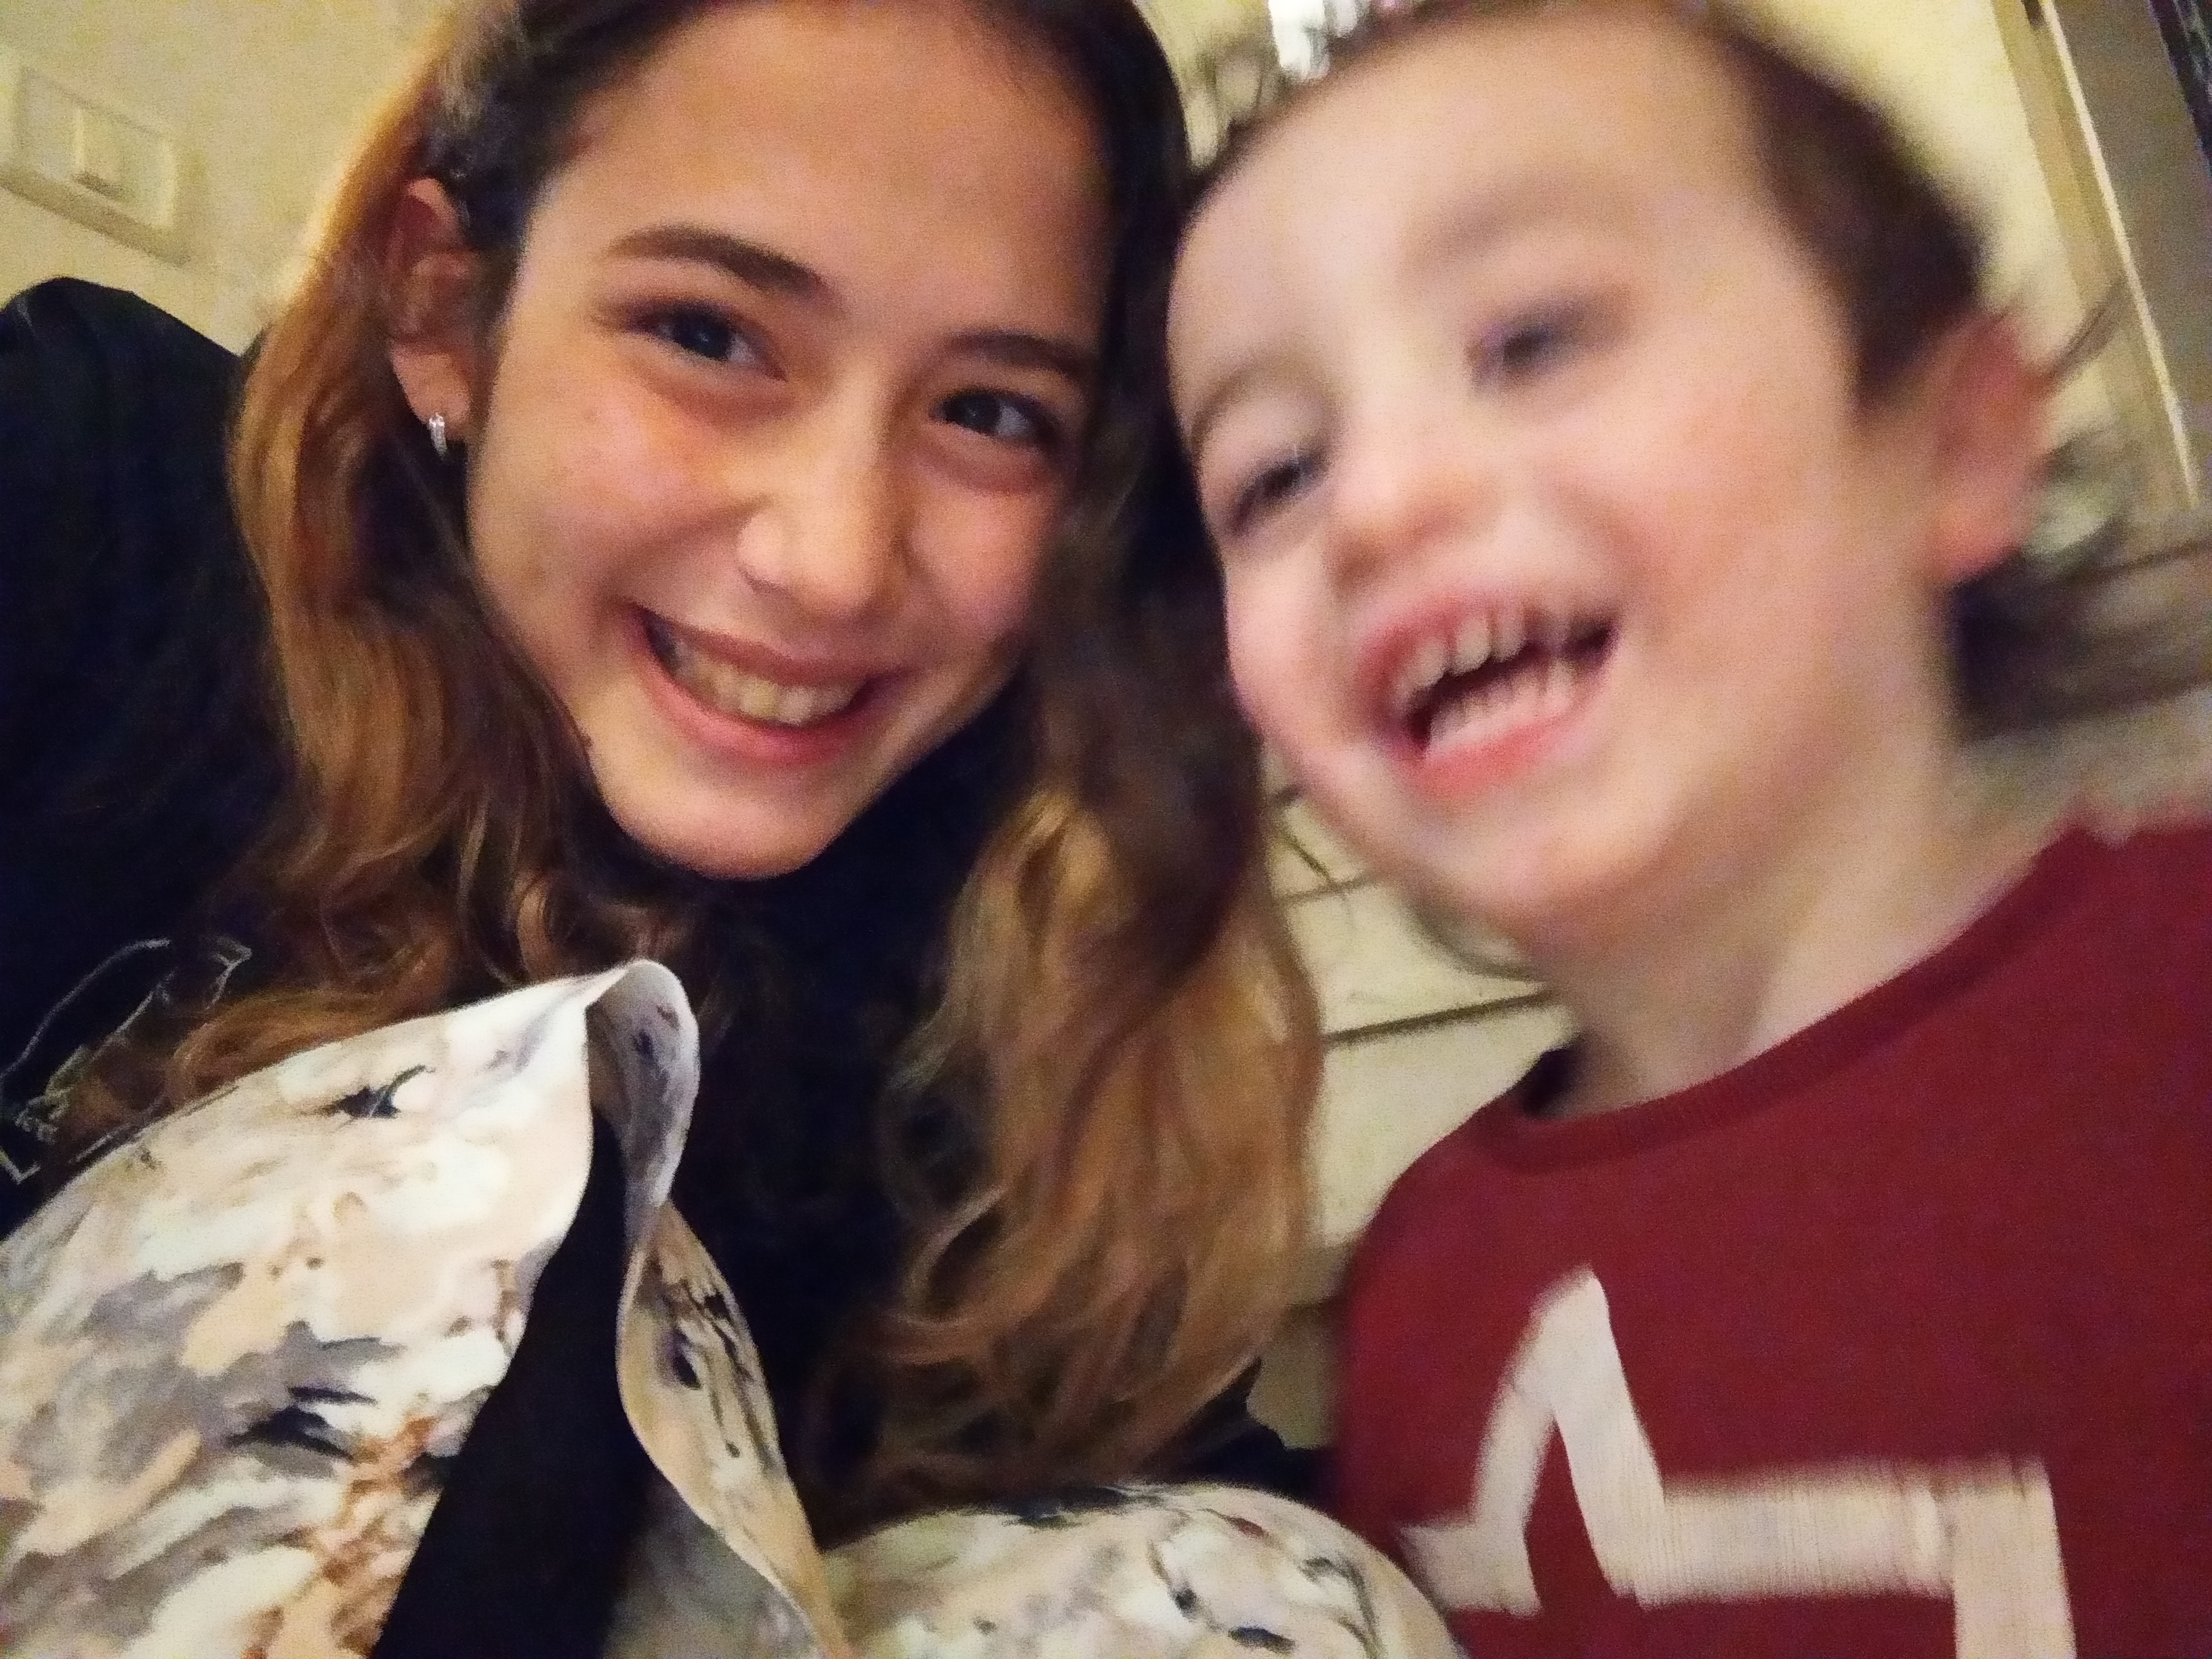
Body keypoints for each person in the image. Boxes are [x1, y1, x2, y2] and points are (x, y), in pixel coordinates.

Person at [0, 0, 1324, 1650]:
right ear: (444, 304)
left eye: (991, 414)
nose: (833, 560)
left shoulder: (992, 934)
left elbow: (1190, 1522)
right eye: (709, 334)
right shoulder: (94, 497)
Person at [1168, 0, 2212, 1650]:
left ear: (1953, 439)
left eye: (1530, 342)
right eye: (1273, 475)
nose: (1376, 503)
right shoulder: (1422, 1286)